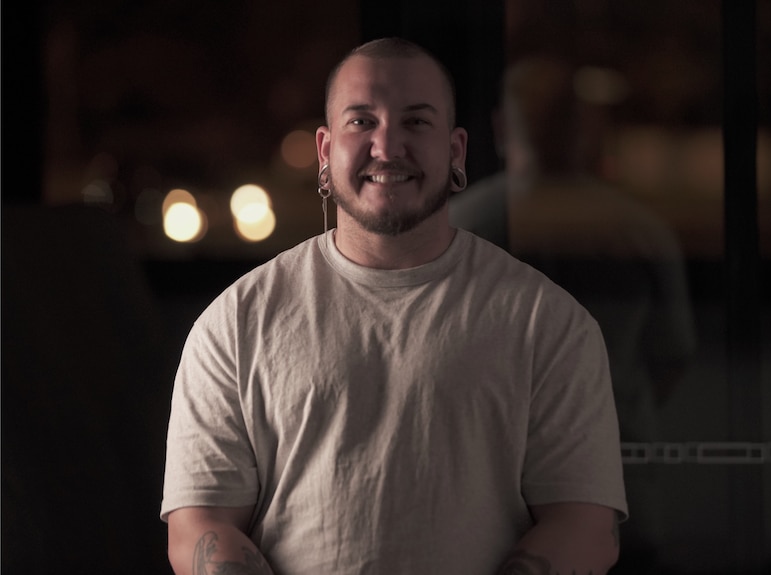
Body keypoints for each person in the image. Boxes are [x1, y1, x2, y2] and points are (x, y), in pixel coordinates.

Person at [161, 38, 627, 575]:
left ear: (455, 151)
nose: (388, 147)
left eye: (416, 123)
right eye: (362, 122)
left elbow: (585, 527)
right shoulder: (236, 323)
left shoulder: (548, 323)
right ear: (324, 149)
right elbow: (199, 527)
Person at [451, 56, 697, 572]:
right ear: (583, 127)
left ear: (501, 125)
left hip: (487, 503)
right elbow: (671, 358)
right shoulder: (638, 229)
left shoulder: (458, 228)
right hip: (618, 497)